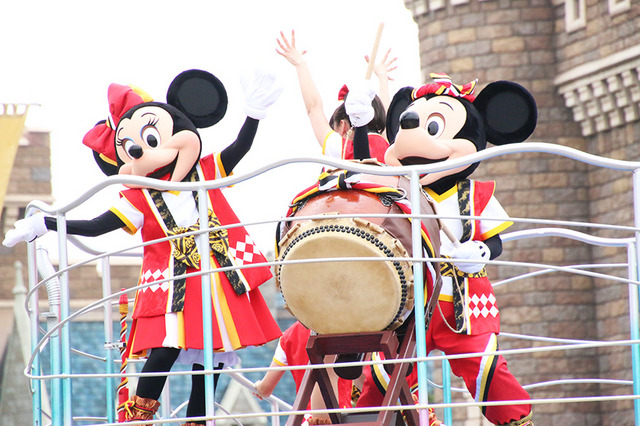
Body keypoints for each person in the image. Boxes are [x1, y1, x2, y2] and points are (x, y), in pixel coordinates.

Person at [276, 30, 396, 163]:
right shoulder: (389, 148)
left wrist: (300, 64)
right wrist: (382, 78)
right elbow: (387, 115)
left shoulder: (341, 148)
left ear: (343, 126)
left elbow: (313, 108)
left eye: (335, 129)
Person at [254, 321, 353, 424]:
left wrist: (258, 386)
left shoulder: (287, 336)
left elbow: (265, 389)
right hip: (339, 414)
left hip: (304, 417)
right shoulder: (341, 328)